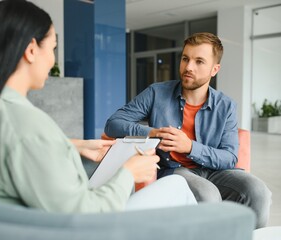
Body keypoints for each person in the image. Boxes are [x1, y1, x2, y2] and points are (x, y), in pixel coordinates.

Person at [0, 0, 196, 213]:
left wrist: (72, 145)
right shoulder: (25, 123)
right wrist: (128, 173)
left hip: (40, 218)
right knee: (177, 186)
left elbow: (22, 148)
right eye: (53, 48)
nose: (53, 60)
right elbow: (81, 213)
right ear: (30, 50)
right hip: (82, 226)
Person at [105, 32, 272, 228]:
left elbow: (229, 157)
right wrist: (152, 133)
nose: (188, 67)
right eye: (185, 59)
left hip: (215, 171)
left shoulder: (226, 106)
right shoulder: (156, 93)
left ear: (214, 69)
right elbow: (113, 124)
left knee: (259, 192)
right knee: (207, 194)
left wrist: (190, 147)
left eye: (199, 61)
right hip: (175, 169)